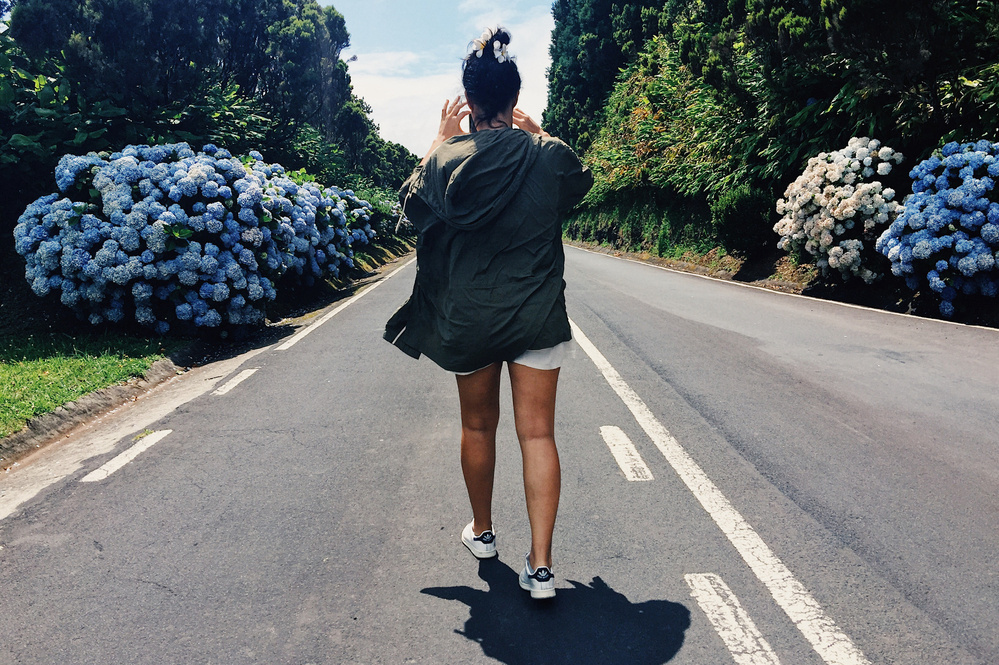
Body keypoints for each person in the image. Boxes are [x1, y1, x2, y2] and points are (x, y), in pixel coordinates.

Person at [384, 26, 592, 600]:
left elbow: (406, 216)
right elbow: (579, 187)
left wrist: (438, 142)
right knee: (538, 434)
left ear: (469, 103)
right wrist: (540, 132)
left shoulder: (446, 162)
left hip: (469, 319)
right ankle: (543, 567)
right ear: (514, 96)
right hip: (537, 317)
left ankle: (483, 532)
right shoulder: (549, 156)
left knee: (478, 425)